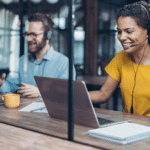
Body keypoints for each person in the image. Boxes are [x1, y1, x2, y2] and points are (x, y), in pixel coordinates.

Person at [89, 1, 150, 116]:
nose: (121, 37)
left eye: (129, 31)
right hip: (128, 127)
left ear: (148, 31)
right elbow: (103, 94)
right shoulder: (121, 58)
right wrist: (70, 96)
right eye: (119, 32)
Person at [0, 12, 76, 98]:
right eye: (27, 34)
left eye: (34, 34)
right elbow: (13, 88)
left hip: (51, 111)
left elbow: (67, 94)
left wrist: (40, 93)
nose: (28, 39)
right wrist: (2, 84)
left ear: (48, 35)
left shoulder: (64, 63)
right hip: (23, 111)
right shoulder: (22, 60)